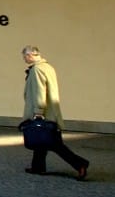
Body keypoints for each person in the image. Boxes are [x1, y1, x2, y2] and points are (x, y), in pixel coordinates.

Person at [21, 45, 89, 180]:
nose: (24, 59)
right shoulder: (48, 67)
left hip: (44, 113)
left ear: (30, 55)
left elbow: (40, 92)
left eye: (24, 56)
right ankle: (37, 167)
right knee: (40, 140)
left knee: (55, 144)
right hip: (51, 111)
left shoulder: (37, 70)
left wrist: (38, 111)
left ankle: (80, 164)